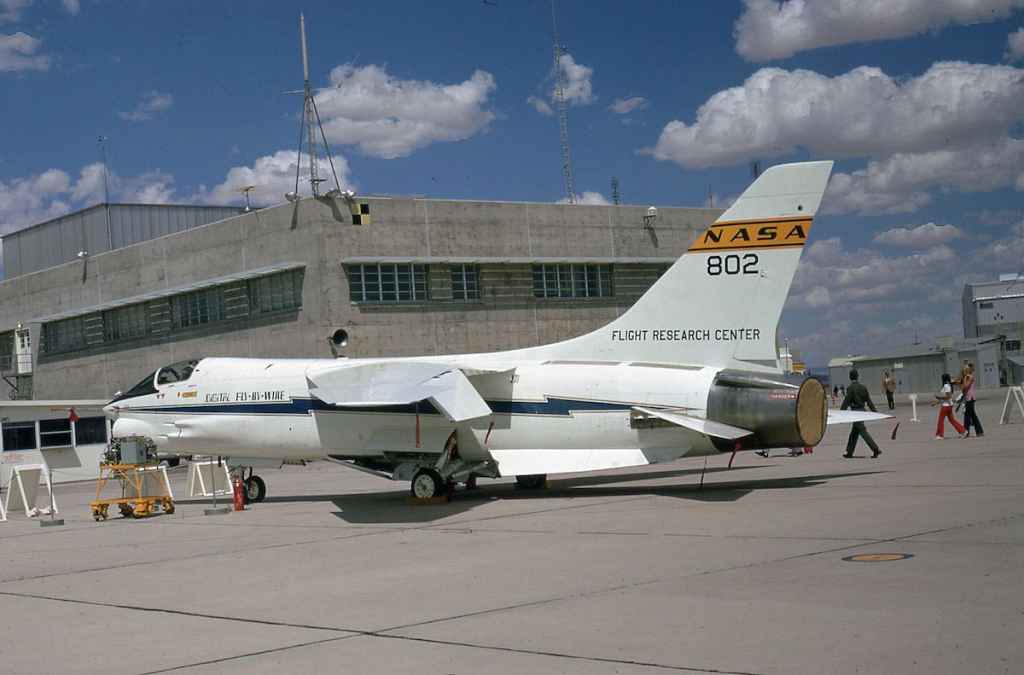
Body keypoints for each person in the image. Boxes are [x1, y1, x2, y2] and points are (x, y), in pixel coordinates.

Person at [840, 369, 881, 458]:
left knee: (862, 431)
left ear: (850, 377)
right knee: (854, 432)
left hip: (856, 413)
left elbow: (846, 401)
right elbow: (869, 401)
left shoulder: (850, 388)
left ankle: (875, 449)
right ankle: (849, 452)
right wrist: (875, 412)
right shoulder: (863, 387)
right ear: (857, 376)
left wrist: (841, 412)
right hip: (862, 411)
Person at [933, 373, 966, 439]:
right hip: (948, 405)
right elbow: (947, 397)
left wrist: (939, 397)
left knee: (941, 420)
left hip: (946, 406)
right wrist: (936, 402)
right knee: (952, 420)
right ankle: (963, 431)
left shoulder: (946, 386)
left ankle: (940, 435)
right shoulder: (949, 385)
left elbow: (948, 397)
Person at [961, 362, 984, 438]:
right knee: (969, 415)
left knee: (969, 416)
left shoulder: (970, 377)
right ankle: (976, 431)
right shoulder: (967, 377)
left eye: (965, 370)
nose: (964, 371)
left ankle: (968, 432)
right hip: (968, 398)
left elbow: (965, 387)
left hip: (970, 398)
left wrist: (964, 379)